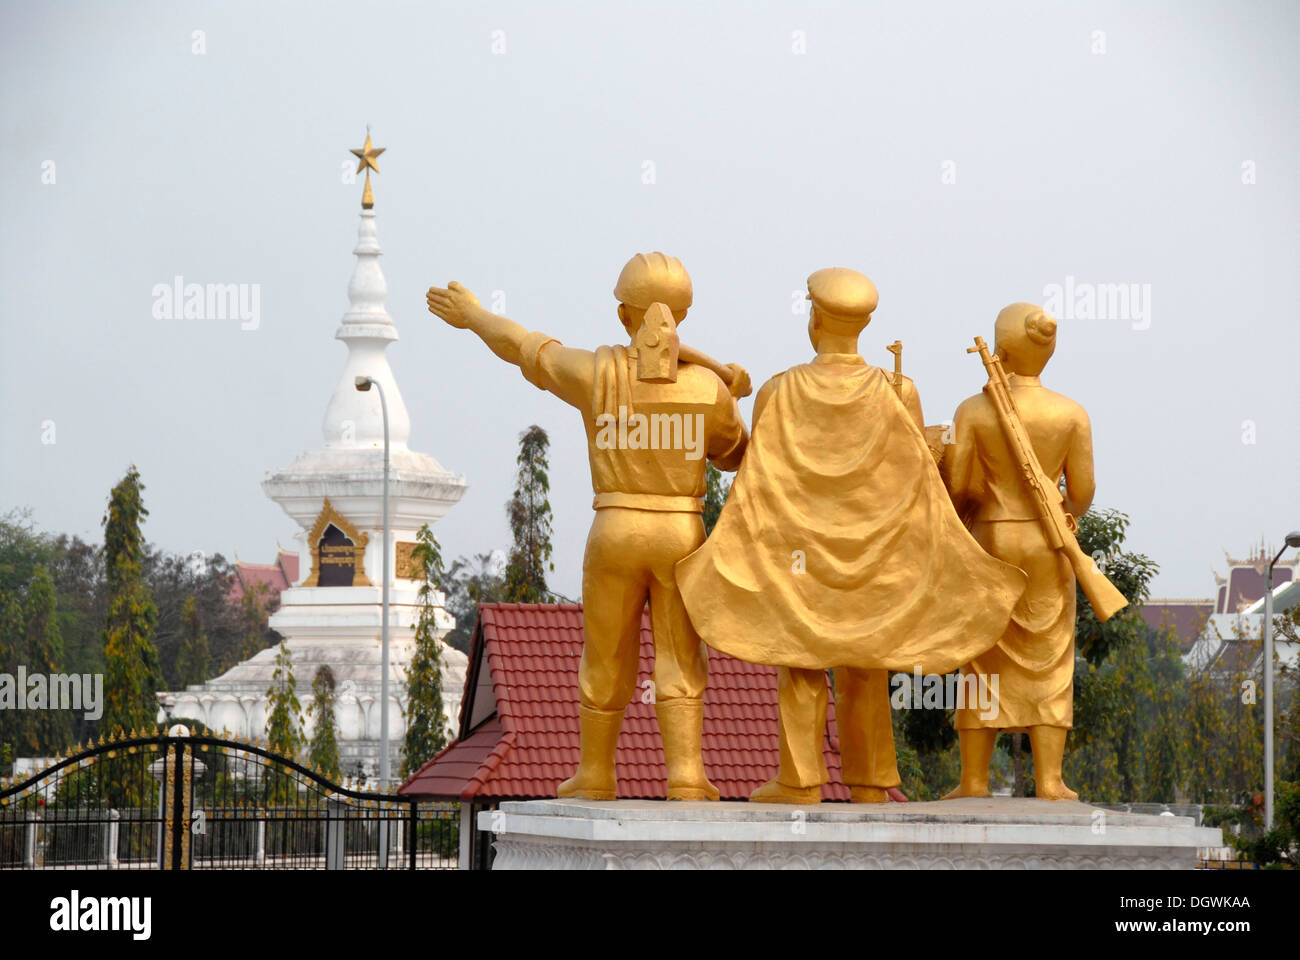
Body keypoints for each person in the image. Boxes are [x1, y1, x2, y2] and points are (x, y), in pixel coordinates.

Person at [676, 268, 1025, 803]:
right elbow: (918, 478)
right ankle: (869, 782)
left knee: (802, 661)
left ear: (815, 320)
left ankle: (799, 780)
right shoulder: (898, 389)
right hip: (875, 555)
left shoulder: (777, 391)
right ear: (862, 326)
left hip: (803, 557)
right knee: (866, 665)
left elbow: (754, 470)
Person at [426, 253, 748, 800]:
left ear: (624, 316)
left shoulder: (597, 372)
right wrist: (722, 384)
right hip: (681, 534)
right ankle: (687, 776)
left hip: (615, 532)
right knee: (680, 656)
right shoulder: (708, 392)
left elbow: (527, 348)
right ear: (683, 316)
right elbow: (735, 454)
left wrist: (476, 315)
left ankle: (596, 773)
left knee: (604, 654)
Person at [940, 303, 1093, 800]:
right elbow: (1084, 491)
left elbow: (958, 485)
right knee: (1051, 657)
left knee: (981, 656)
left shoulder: (973, 410)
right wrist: (1061, 512)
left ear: (1000, 350)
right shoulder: (1070, 413)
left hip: (991, 539)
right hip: (1049, 545)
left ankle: (974, 780)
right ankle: (1049, 779)